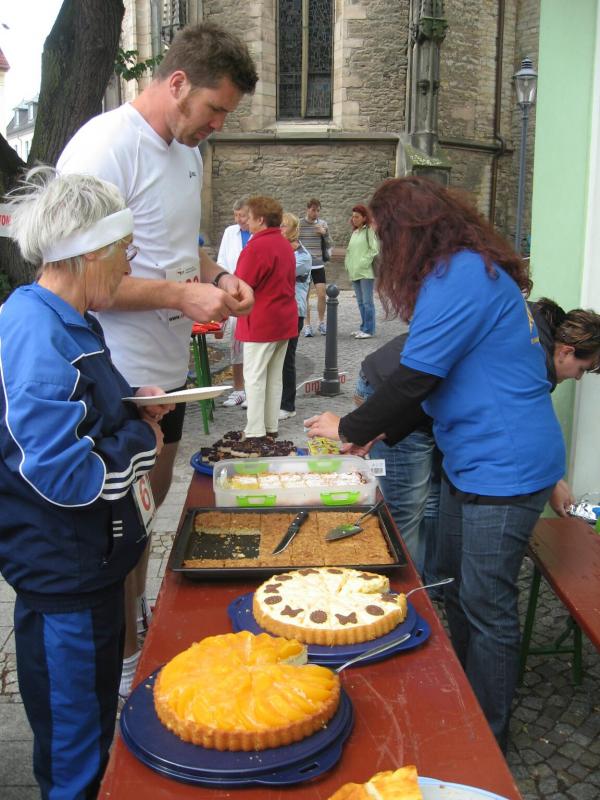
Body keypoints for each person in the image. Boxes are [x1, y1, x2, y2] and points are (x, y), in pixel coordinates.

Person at [305, 176, 566, 751]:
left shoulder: (462, 273)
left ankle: (486, 737)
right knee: (456, 585)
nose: (382, 249)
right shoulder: (466, 270)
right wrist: (377, 434)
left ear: (409, 231)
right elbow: (438, 383)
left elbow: (416, 376)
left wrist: (350, 429)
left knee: (486, 601)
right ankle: (467, 699)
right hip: (473, 459)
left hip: (505, 464)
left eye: (384, 235)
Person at [57, 22, 258, 696]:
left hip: (166, 377)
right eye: (215, 109)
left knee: (145, 516)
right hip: (113, 378)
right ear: (176, 84)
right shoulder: (104, 148)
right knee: (116, 528)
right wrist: (180, 293)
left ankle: (133, 629)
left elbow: (180, 245)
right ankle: (118, 664)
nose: (218, 126)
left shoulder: (185, 153)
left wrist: (217, 274)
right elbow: (77, 279)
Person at [0, 167, 174, 799]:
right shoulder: (37, 333)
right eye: (124, 250)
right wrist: (144, 441)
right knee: (75, 751)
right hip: (65, 578)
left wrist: (130, 401)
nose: (129, 265)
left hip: (88, 567)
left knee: (93, 724)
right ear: (90, 252)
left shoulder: (66, 318)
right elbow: (64, 474)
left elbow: (82, 410)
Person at [234, 197, 297, 438]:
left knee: (255, 377)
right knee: (273, 377)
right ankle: (270, 427)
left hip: (262, 321)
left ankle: (255, 431)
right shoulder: (283, 243)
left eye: (249, 218)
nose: (246, 222)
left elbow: (241, 285)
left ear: (260, 220)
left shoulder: (257, 247)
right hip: (284, 319)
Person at [217, 198, 252, 407]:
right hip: (234, 294)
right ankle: (239, 389)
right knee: (236, 344)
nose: (239, 219)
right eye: (236, 215)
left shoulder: (258, 233)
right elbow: (222, 261)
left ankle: (253, 390)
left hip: (254, 296)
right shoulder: (230, 233)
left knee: (254, 346)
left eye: (243, 216)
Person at [279, 212, 313, 420]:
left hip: (294, 311)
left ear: (294, 230)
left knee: (286, 359)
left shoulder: (302, 256)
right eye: (279, 225)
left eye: (284, 226)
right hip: (278, 310)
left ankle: (288, 405)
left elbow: (279, 273)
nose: (279, 229)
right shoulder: (281, 249)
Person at [345, 204, 379, 339]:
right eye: (353, 216)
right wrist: (348, 264)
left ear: (364, 218)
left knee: (367, 302)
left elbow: (374, 250)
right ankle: (363, 327)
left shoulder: (368, 231)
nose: (354, 219)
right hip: (354, 272)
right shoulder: (355, 233)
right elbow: (350, 251)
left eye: (357, 217)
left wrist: (363, 263)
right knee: (360, 302)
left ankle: (369, 330)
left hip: (365, 272)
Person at [299, 198, 332, 336]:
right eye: (313, 210)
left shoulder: (323, 224)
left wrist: (324, 234)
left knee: (322, 295)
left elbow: (329, 244)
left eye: (318, 210)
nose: (316, 213)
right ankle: (307, 325)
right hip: (304, 266)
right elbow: (293, 241)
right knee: (305, 296)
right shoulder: (299, 224)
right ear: (307, 209)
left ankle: (321, 322)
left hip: (318, 264)